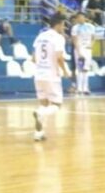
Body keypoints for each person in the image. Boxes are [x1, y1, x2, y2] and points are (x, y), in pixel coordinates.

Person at [32, 13, 70, 141]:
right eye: (63, 24)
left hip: (38, 75)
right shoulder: (58, 38)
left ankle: (39, 133)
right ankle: (39, 113)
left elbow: (33, 58)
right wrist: (65, 71)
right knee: (56, 105)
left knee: (43, 104)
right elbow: (59, 57)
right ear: (59, 24)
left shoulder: (40, 36)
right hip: (51, 75)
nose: (64, 27)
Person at [71, 12, 96, 95]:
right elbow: (74, 40)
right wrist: (78, 51)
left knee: (86, 69)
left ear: (85, 17)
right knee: (80, 68)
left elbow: (93, 37)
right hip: (79, 49)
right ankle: (79, 88)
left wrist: (91, 46)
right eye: (79, 17)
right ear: (77, 18)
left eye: (82, 17)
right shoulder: (75, 28)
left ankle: (85, 88)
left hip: (87, 49)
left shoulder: (91, 26)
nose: (81, 18)